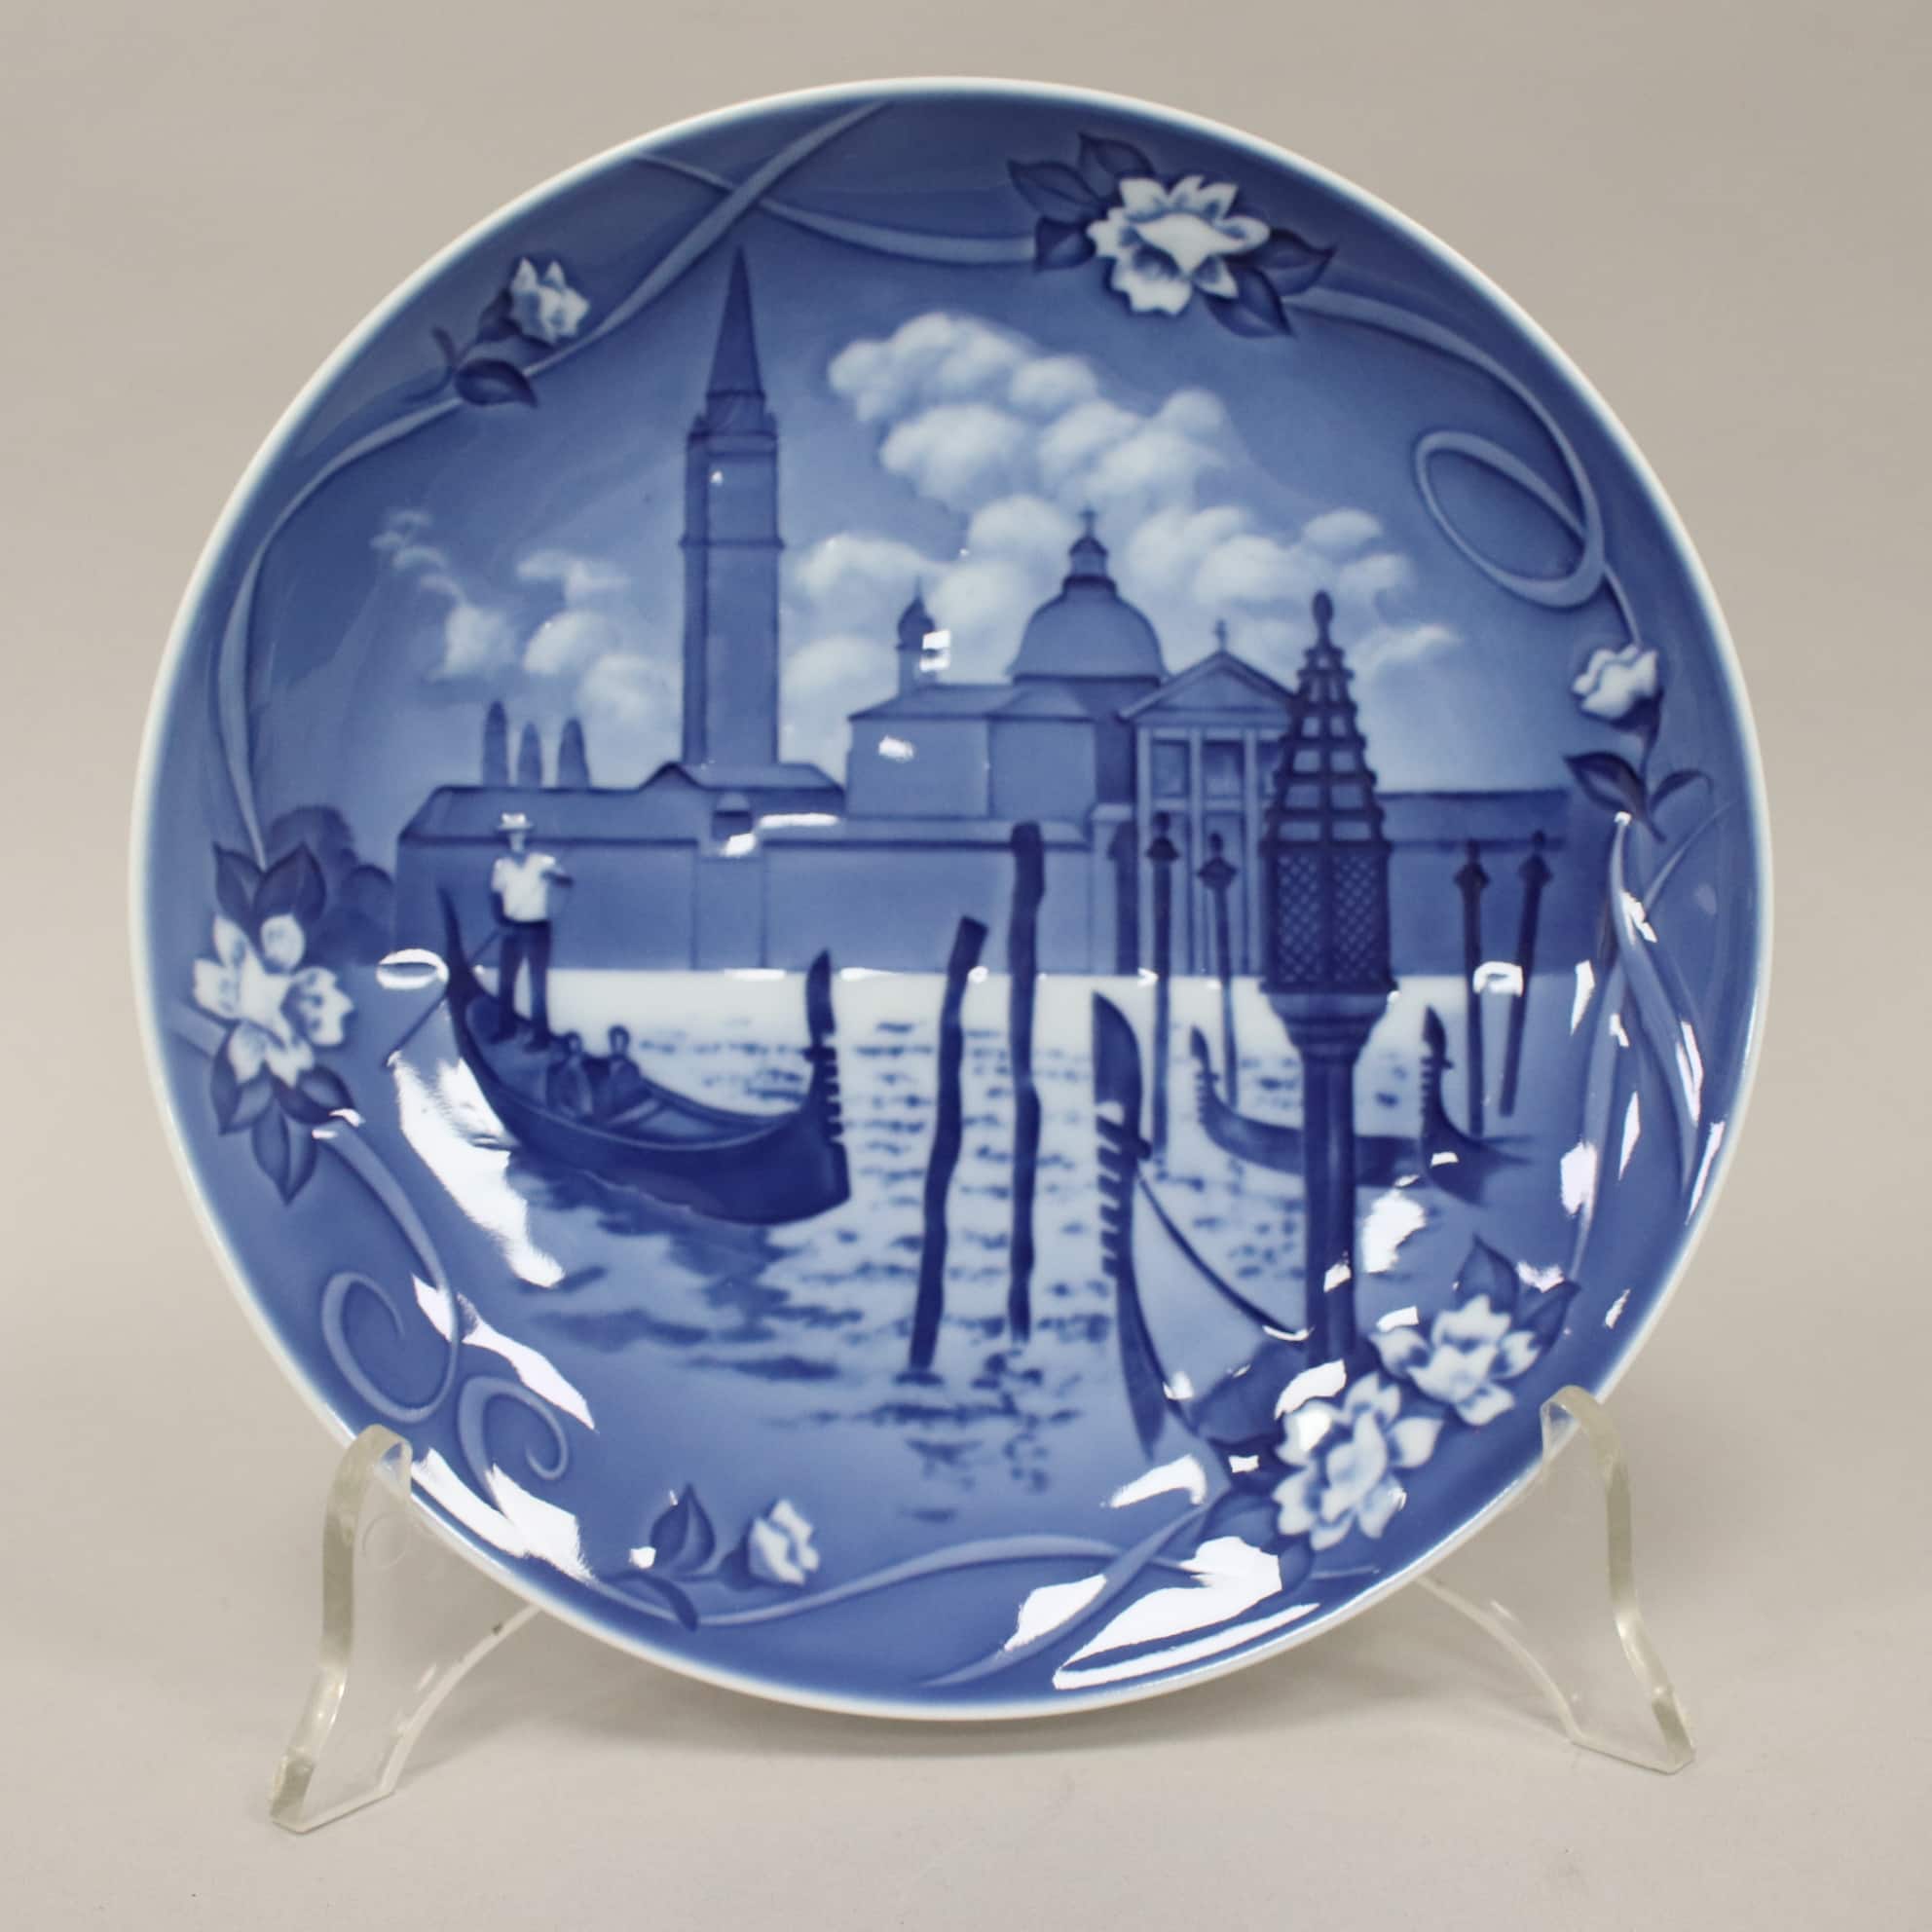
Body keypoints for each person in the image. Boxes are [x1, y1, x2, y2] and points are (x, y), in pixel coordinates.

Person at [489, 811, 571, 1044]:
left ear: (526, 835)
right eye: (511, 833)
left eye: (519, 833)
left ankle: (540, 1036)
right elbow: (495, 897)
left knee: (537, 985)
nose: (515, 837)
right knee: (506, 982)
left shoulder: (542, 862)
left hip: (537, 929)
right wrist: (501, 921)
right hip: (512, 929)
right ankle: (506, 1029)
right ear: (506, 837)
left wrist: (553, 876)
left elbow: (566, 880)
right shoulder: (501, 865)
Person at [597, 1024, 650, 1120]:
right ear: (610, 1042)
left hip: (621, 1116)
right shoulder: (600, 1064)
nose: (617, 1046)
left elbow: (636, 1094)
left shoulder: (633, 1068)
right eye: (615, 1042)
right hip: (601, 1115)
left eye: (621, 1042)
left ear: (626, 1044)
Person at [543, 1033, 595, 1117]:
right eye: (572, 1052)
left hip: (578, 1118)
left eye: (578, 1051)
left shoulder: (582, 1072)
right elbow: (553, 1100)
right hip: (562, 1116)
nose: (576, 1057)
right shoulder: (554, 1070)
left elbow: (586, 1105)